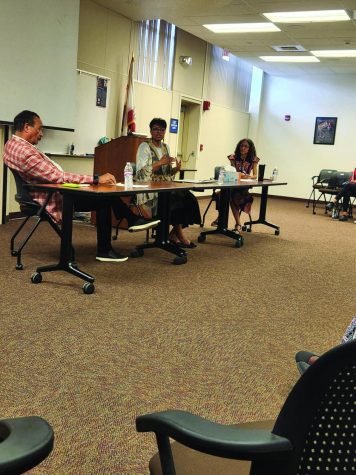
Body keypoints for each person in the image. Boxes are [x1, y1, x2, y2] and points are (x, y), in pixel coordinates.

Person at [4, 110, 160, 263]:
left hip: (43, 191)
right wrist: (96, 179)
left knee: (103, 194)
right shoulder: (25, 152)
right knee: (103, 198)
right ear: (26, 127)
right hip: (53, 196)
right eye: (39, 129)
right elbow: (59, 177)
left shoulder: (11, 144)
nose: (41, 133)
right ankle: (107, 247)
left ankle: (131, 219)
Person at [135, 118, 201, 248]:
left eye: (161, 129)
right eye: (155, 129)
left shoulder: (166, 147)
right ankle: (179, 236)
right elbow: (140, 173)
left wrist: (175, 169)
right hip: (150, 190)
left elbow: (167, 173)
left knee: (189, 199)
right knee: (176, 201)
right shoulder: (144, 146)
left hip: (166, 187)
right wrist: (160, 162)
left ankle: (172, 234)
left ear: (165, 132)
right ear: (151, 131)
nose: (158, 132)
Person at [211, 138, 259, 232]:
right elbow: (232, 171)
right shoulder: (233, 157)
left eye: (246, 146)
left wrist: (248, 177)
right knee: (229, 196)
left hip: (243, 186)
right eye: (241, 146)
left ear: (250, 148)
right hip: (233, 183)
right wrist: (237, 175)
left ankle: (222, 220)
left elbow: (255, 175)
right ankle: (237, 224)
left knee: (225, 195)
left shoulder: (253, 159)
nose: (243, 148)